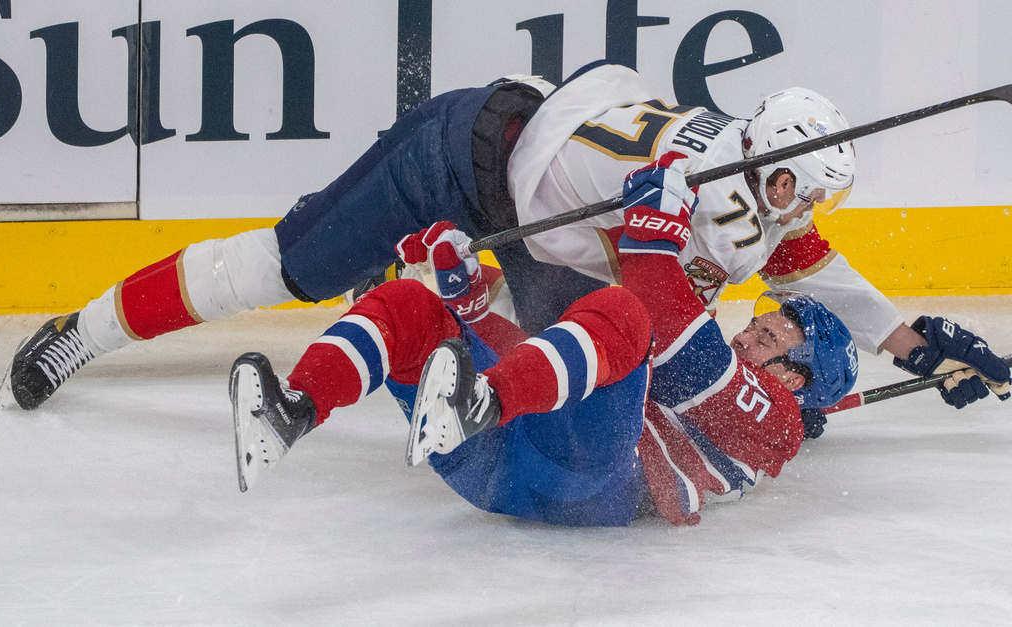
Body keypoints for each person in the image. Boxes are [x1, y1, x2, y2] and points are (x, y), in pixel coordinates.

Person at [0, 62, 1009, 414]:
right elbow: (693, 292)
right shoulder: (704, 194)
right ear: (764, 167)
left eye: (806, 198)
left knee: (562, 374)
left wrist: (916, 344)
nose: (800, 212)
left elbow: (803, 265)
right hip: (459, 158)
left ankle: (409, 305)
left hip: (541, 219)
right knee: (292, 265)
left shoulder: (740, 184)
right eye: (795, 190)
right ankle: (82, 330)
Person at [229, 180, 857, 526]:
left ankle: (481, 404)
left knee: (625, 315)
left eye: (771, 339)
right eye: (758, 325)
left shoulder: (778, 422)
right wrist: (471, 301)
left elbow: (676, 339)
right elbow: (552, 369)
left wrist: (653, 238)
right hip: (501, 457)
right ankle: (293, 410)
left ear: (800, 381)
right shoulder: (754, 388)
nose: (747, 336)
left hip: (591, 485)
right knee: (409, 306)